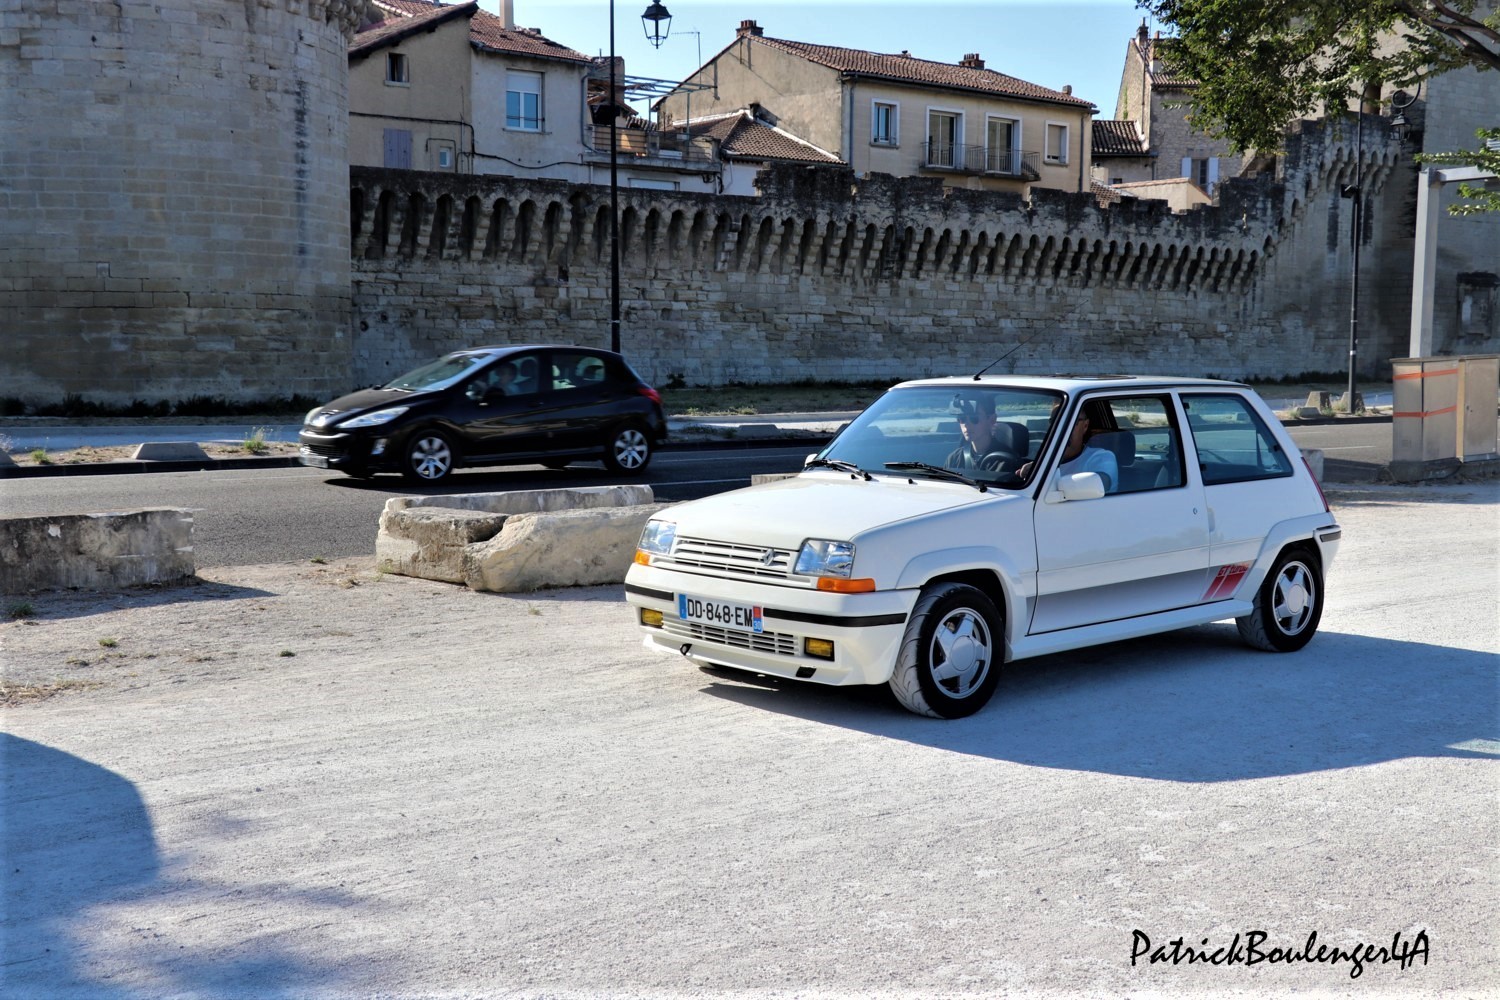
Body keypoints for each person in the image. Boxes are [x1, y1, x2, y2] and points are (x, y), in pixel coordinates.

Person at [945, 395, 1017, 472]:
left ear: (992, 420)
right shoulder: (954, 458)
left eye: (974, 418)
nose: (966, 424)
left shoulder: (1006, 462)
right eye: (962, 419)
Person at [1055, 406, 1118, 492]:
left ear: (1085, 426)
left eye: (1071, 422)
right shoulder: (1042, 461)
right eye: (1055, 422)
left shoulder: (1101, 457)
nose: (1061, 428)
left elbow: (1101, 483)